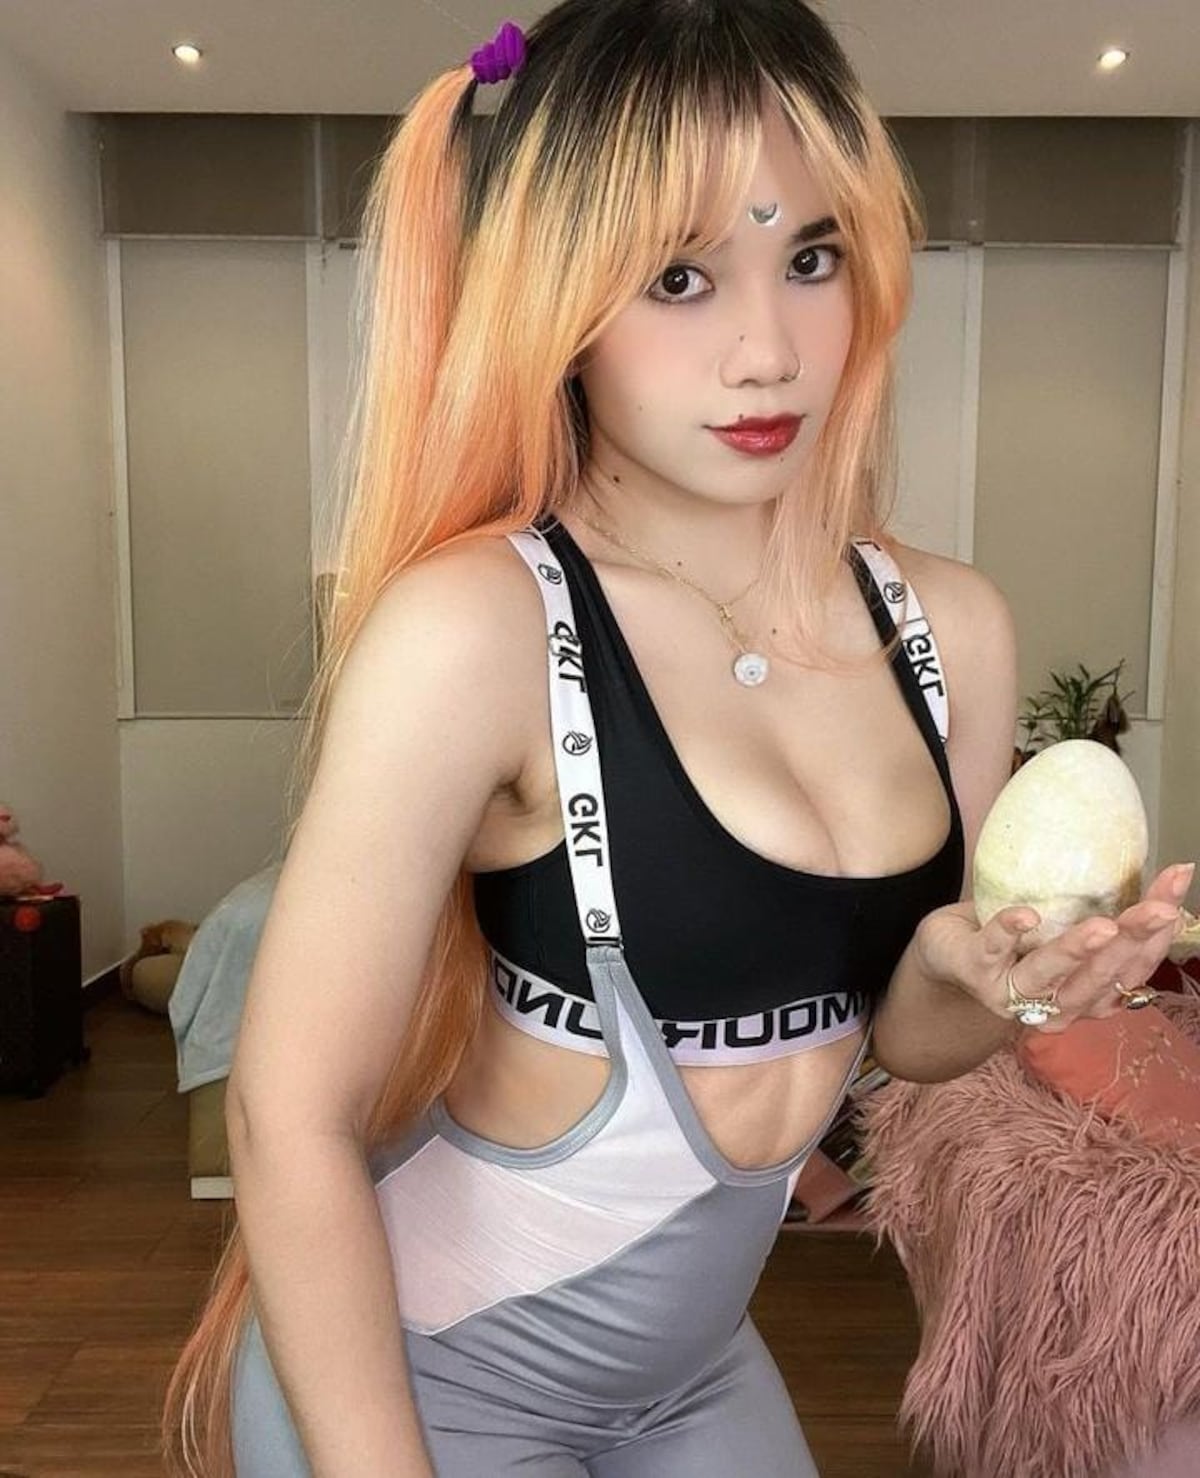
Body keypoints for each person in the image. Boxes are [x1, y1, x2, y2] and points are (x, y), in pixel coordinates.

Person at [161, 2, 1193, 1473]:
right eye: (679, 277)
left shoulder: (949, 632)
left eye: (812, 258)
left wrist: (994, 985)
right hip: (426, 1375)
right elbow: (286, 1115)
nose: (769, 351)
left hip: (691, 1377)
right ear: (560, 302)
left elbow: (901, 1037)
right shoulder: (480, 633)